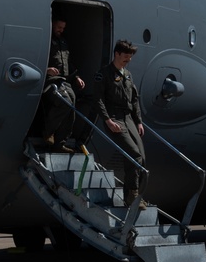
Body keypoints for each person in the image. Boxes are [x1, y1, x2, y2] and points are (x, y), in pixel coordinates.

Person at [93, 39, 146, 209]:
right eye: (125, 57)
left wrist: (138, 121)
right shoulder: (104, 74)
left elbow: (134, 99)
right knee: (133, 154)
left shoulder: (127, 75)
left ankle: (135, 197)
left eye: (130, 58)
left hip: (128, 118)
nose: (128, 60)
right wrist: (107, 120)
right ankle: (132, 196)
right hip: (114, 118)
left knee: (142, 159)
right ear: (116, 54)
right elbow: (98, 99)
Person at [41, 17, 85, 151]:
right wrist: (46, 69)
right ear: (52, 24)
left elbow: (68, 63)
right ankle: (48, 132)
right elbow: (36, 57)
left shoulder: (63, 42)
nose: (61, 30)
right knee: (65, 102)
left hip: (64, 81)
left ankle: (60, 142)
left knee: (72, 106)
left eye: (63, 28)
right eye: (59, 27)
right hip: (49, 80)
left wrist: (76, 77)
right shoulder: (46, 40)